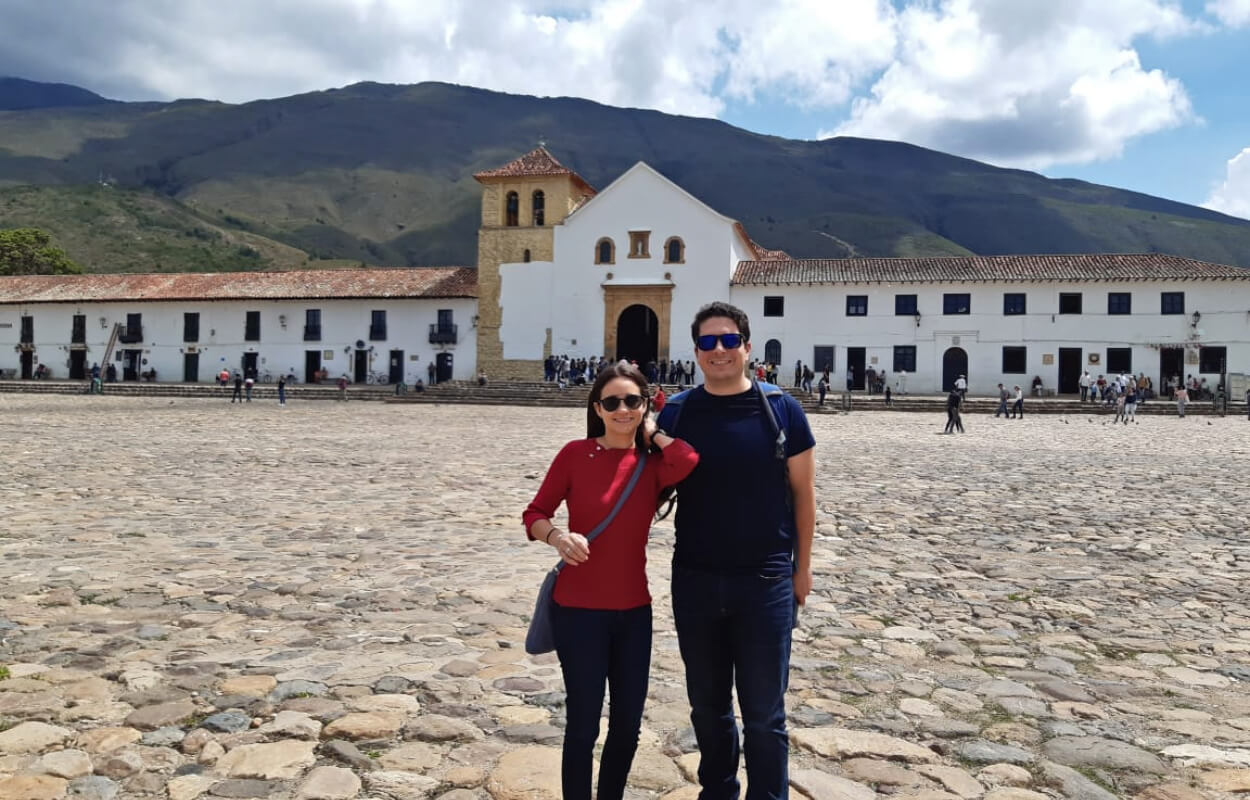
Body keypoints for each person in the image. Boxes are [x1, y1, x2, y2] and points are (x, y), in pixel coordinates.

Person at [655, 301, 816, 800]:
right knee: (706, 705)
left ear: (747, 346)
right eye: (708, 342)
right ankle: (718, 792)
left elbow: (803, 494)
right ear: (697, 351)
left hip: (765, 580)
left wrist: (802, 571)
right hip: (697, 577)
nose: (719, 350)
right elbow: (649, 481)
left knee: (765, 714)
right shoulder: (678, 412)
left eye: (729, 340)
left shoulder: (781, 409)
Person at [524, 363, 698, 800]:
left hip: (633, 613)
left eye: (632, 401)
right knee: (583, 724)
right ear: (597, 408)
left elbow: (688, 460)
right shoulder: (574, 454)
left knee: (627, 727)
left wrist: (653, 430)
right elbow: (534, 514)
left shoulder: (653, 463)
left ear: (644, 404)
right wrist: (558, 536)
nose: (622, 410)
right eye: (612, 402)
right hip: (578, 610)